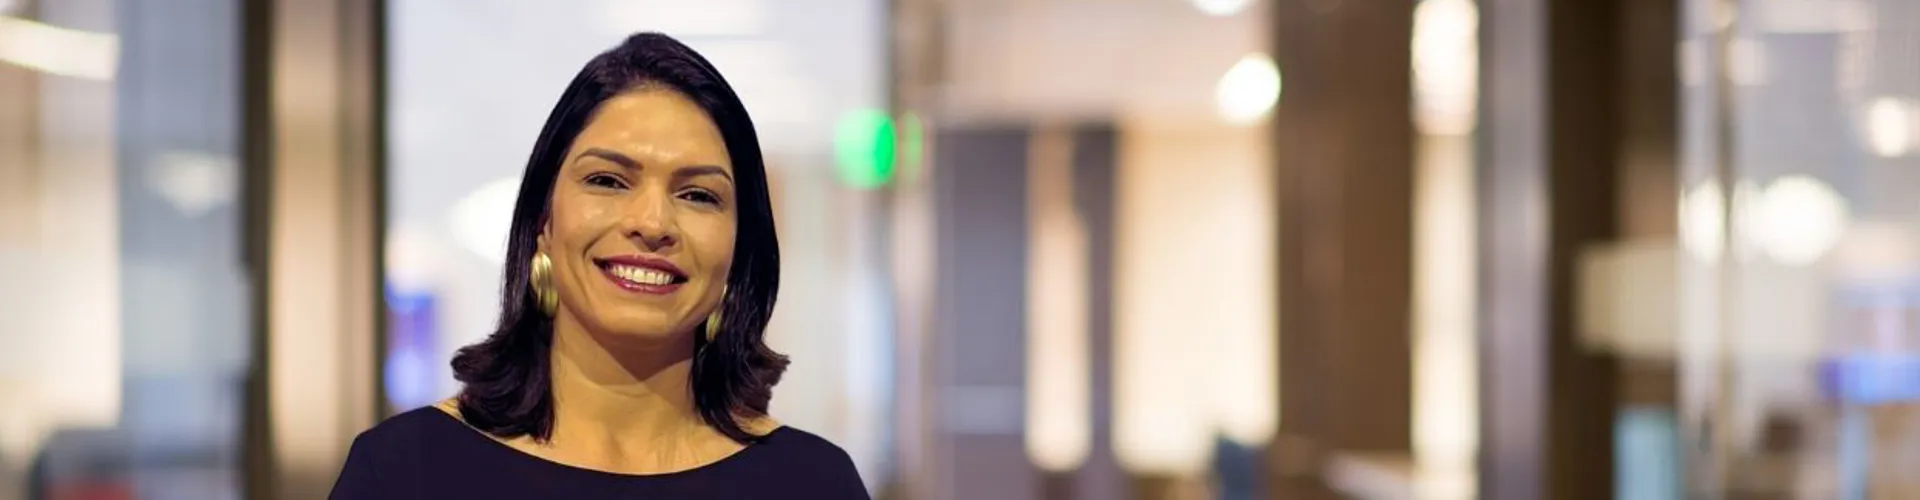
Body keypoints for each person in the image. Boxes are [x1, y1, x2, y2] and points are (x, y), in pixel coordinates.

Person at [329, 33, 868, 499]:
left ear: (738, 249)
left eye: (699, 195)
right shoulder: (404, 475)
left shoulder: (813, 485)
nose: (653, 222)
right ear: (544, 220)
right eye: (608, 181)